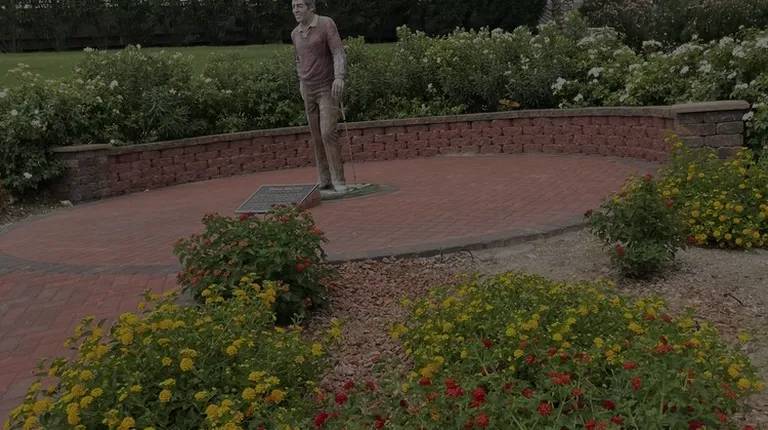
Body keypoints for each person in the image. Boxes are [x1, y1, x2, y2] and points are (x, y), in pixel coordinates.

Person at [291, 0, 348, 192]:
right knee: (316, 137)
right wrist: (301, 82)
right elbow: (298, 60)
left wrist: (339, 77)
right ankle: (324, 179)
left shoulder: (326, 24)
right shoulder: (295, 33)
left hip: (326, 87)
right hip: (308, 88)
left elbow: (338, 52)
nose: (295, 10)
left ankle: (338, 179)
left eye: (299, 6)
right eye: (293, 7)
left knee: (327, 132)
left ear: (310, 7)